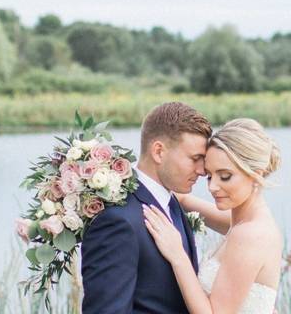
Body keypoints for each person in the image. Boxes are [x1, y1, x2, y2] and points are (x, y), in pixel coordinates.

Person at [81, 102, 213, 313]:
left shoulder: (172, 205)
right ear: (159, 151)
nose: (202, 170)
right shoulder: (118, 221)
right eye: (195, 159)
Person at [143, 118, 282, 314]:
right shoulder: (242, 221)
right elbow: (183, 199)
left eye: (225, 176)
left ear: (255, 175)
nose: (212, 186)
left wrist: (178, 256)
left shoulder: (250, 235)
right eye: (209, 175)